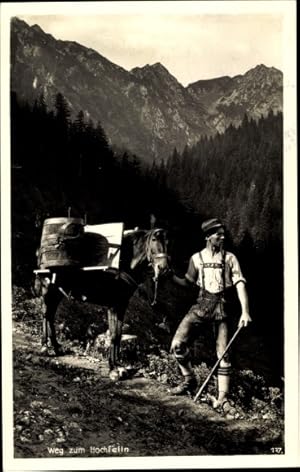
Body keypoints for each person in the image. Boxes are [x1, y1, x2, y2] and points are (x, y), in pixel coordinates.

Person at [170, 217, 252, 408]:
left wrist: (245, 312)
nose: (222, 238)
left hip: (221, 309)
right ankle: (189, 380)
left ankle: (222, 396)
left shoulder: (230, 258)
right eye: (218, 235)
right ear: (208, 237)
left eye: (223, 234)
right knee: (177, 345)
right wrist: (169, 276)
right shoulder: (196, 259)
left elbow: (239, 284)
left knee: (223, 354)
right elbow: (187, 282)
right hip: (201, 306)